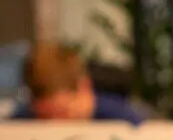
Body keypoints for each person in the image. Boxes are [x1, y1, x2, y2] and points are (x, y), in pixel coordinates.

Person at [14, 41, 144, 123]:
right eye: (45, 117)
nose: (56, 125)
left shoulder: (124, 120)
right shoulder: (21, 123)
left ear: (85, 87)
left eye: (62, 114)